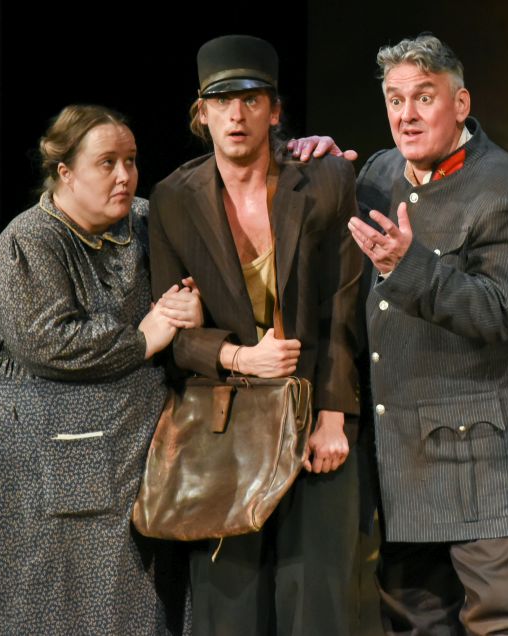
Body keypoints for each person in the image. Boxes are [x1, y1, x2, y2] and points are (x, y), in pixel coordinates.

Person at [0, 104, 200, 635]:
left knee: (129, 599)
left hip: (129, 444)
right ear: (66, 172)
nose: (124, 175)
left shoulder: (146, 221)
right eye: (107, 163)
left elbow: (188, 281)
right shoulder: (29, 240)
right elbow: (47, 342)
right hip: (36, 447)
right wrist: (144, 337)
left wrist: (191, 304)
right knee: (40, 597)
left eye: (130, 160)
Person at [339, 34, 508, 635]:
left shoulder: (506, 189)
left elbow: (495, 311)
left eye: (424, 97)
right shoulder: (380, 173)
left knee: (499, 627)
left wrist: (407, 266)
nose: (407, 115)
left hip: (491, 473)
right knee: (413, 626)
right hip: (406, 466)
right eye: (395, 100)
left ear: (461, 103)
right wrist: (314, 161)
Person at [147, 35, 362, 635]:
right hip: (225, 427)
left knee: (316, 606)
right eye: (221, 101)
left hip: (315, 418)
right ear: (202, 112)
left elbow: (343, 306)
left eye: (250, 99)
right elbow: (172, 332)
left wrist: (332, 417)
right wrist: (241, 357)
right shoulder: (173, 199)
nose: (235, 116)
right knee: (229, 610)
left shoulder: (323, 180)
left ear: (274, 109)